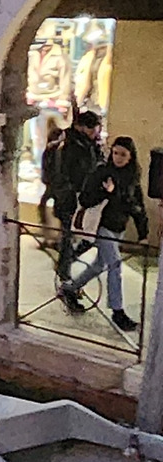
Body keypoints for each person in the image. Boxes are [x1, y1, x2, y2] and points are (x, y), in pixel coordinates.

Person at [61, 135, 149, 331]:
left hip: (119, 228)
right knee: (115, 265)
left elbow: (138, 207)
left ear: (131, 156)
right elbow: (85, 199)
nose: (118, 157)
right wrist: (106, 192)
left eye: (123, 154)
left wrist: (143, 234)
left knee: (99, 264)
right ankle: (118, 312)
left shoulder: (132, 177)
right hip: (102, 227)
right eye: (115, 153)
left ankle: (69, 288)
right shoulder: (102, 172)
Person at [49, 108, 103, 285]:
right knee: (68, 236)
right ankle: (65, 274)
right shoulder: (69, 145)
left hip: (86, 198)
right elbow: (65, 174)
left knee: (86, 237)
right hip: (70, 198)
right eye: (93, 128)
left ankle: (65, 263)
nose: (95, 132)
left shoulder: (89, 144)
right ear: (82, 127)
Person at [37, 116, 64, 227]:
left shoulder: (53, 141)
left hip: (53, 179)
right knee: (51, 202)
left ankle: (45, 221)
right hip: (54, 179)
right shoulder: (57, 137)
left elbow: (48, 162)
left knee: (46, 202)